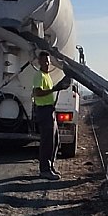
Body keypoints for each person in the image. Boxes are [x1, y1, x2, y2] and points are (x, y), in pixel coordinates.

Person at [32, 50, 71, 180]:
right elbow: (38, 93)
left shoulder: (47, 75)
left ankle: (50, 166)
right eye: (44, 61)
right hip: (44, 111)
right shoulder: (39, 76)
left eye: (48, 61)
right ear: (39, 62)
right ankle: (45, 169)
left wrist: (59, 86)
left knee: (55, 140)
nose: (47, 63)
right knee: (47, 141)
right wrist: (55, 88)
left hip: (50, 110)